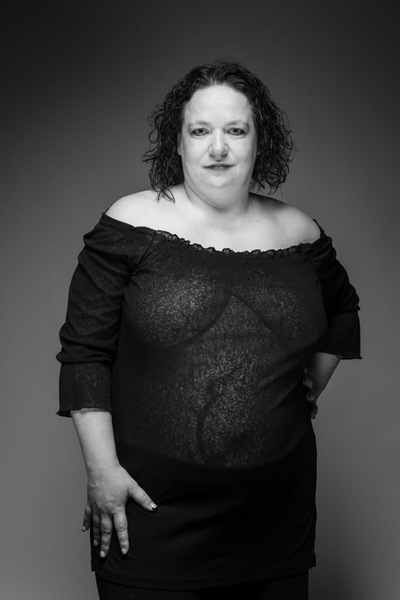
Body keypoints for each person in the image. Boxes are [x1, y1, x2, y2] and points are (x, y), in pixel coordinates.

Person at [57, 59, 361, 600]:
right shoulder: (130, 224)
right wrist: (102, 472)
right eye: (200, 131)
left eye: (235, 130)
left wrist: (309, 386)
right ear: (177, 143)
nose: (218, 147)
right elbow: (85, 354)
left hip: (276, 519)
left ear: (259, 142)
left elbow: (343, 310)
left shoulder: (300, 232)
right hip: (154, 514)